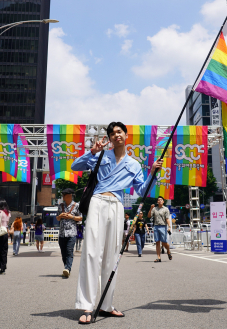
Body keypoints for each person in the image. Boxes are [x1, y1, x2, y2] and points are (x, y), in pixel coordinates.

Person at [71, 122, 162, 324]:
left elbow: (143, 191)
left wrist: (153, 173)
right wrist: (91, 152)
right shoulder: (101, 155)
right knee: (91, 252)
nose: (115, 135)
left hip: (118, 205)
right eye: (112, 133)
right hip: (97, 201)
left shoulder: (134, 164)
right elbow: (74, 166)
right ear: (110, 138)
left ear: (126, 135)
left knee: (113, 256)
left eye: (119, 132)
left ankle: (106, 305)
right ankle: (87, 305)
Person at [56, 188, 82, 278]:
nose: (63, 197)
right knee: (63, 253)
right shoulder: (60, 206)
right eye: (63, 195)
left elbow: (81, 218)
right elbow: (57, 218)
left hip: (72, 233)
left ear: (70, 196)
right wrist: (60, 216)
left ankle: (68, 268)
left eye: (64, 195)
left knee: (69, 251)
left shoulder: (77, 205)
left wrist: (72, 217)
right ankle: (66, 268)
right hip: (62, 233)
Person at [148, 196, 172, 262]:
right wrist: (150, 208)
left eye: (161, 200)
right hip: (156, 226)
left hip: (163, 226)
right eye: (159, 200)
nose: (160, 201)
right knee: (157, 242)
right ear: (157, 202)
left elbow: (167, 218)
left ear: (163, 201)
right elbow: (149, 216)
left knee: (164, 243)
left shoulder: (166, 209)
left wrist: (169, 226)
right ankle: (158, 257)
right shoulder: (154, 209)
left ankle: (168, 251)